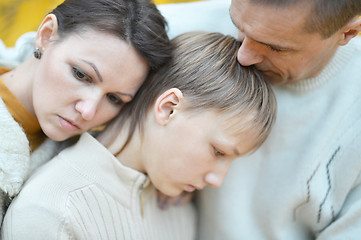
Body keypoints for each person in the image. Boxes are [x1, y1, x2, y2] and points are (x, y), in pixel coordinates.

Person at [1, 31, 276, 240]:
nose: (217, 180)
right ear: (168, 108)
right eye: (218, 151)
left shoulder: (178, 210)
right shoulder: (51, 211)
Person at [197, 0, 361, 239]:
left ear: (348, 33)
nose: (243, 56)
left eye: (275, 47)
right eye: (237, 25)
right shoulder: (172, 30)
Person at [0, 0, 171, 222]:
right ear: (46, 35)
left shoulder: (88, 154)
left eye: (114, 99)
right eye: (81, 75)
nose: (88, 111)